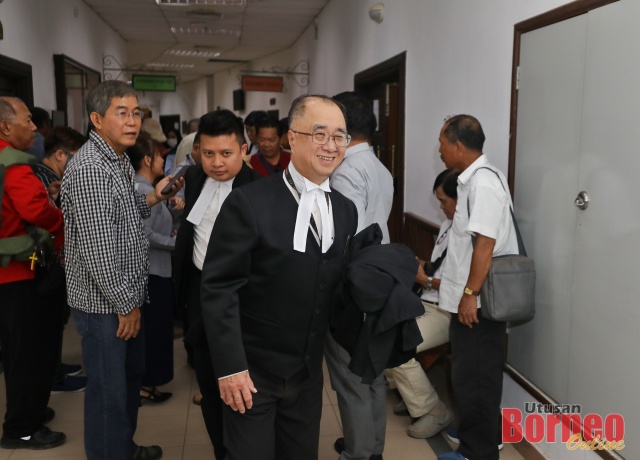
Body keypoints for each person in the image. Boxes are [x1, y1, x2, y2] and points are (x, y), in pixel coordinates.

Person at [200, 95, 357, 460]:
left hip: (306, 373)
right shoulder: (249, 203)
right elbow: (219, 288)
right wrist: (230, 367)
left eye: (339, 137)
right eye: (320, 134)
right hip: (251, 372)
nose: (330, 146)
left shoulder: (346, 211)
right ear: (291, 138)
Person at [61, 80, 183, 460]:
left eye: (136, 113)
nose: (133, 122)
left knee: (127, 384)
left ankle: (122, 448)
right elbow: (99, 251)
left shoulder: (116, 159)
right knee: (108, 394)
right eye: (122, 113)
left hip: (125, 296)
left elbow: (122, 219)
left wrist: (153, 197)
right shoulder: (92, 169)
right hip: (106, 307)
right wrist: (125, 306)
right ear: (97, 119)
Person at [173, 109, 262, 459]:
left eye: (226, 154)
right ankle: (221, 450)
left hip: (241, 298)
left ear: (243, 150)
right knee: (209, 381)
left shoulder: (260, 191)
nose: (217, 163)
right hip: (198, 292)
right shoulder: (194, 178)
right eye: (208, 153)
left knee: (243, 384)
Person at [435, 115, 518, 460]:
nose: (439, 150)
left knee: (478, 383)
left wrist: (469, 296)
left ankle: (480, 454)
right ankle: (472, 448)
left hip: (479, 305)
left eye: (442, 143)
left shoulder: (483, 183)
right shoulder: (474, 180)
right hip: (469, 301)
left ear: (457, 145)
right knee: (468, 379)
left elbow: (485, 244)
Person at [324, 91, 394, 460]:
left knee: (351, 375)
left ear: (344, 129)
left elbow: (345, 236)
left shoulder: (346, 171)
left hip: (354, 284)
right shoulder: (379, 168)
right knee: (373, 371)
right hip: (380, 279)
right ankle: (372, 447)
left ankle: (359, 452)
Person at [0, 97, 66, 450]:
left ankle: (27, 411)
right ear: (6, 127)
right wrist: (60, 219)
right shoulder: (12, 163)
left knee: (16, 351)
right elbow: (34, 210)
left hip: (6, 271)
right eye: (28, 120)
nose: (35, 128)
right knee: (31, 351)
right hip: (22, 272)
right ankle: (22, 428)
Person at [386, 169, 457, 439]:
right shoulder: (450, 224)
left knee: (395, 344)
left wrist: (424, 279)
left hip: (448, 310)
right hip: (428, 301)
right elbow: (437, 268)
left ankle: (433, 411)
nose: (440, 207)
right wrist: (412, 263)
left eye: (444, 202)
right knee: (381, 327)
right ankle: (415, 393)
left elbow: (460, 284)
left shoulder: (471, 231)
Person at [33, 126, 89, 394]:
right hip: (48, 263)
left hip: (53, 261)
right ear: (59, 155)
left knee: (55, 322)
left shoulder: (46, 175)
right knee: (49, 324)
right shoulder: (43, 179)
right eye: (77, 158)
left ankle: (55, 369)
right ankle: (53, 376)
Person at [130, 132, 184, 406]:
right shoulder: (141, 190)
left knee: (156, 329)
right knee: (153, 331)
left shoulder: (149, 188)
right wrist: (177, 243)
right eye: (159, 154)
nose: (164, 158)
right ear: (147, 159)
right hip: (151, 272)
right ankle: (144, 385)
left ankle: (147, 383)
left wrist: (174, 206)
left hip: (159, 270)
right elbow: (144, 234)